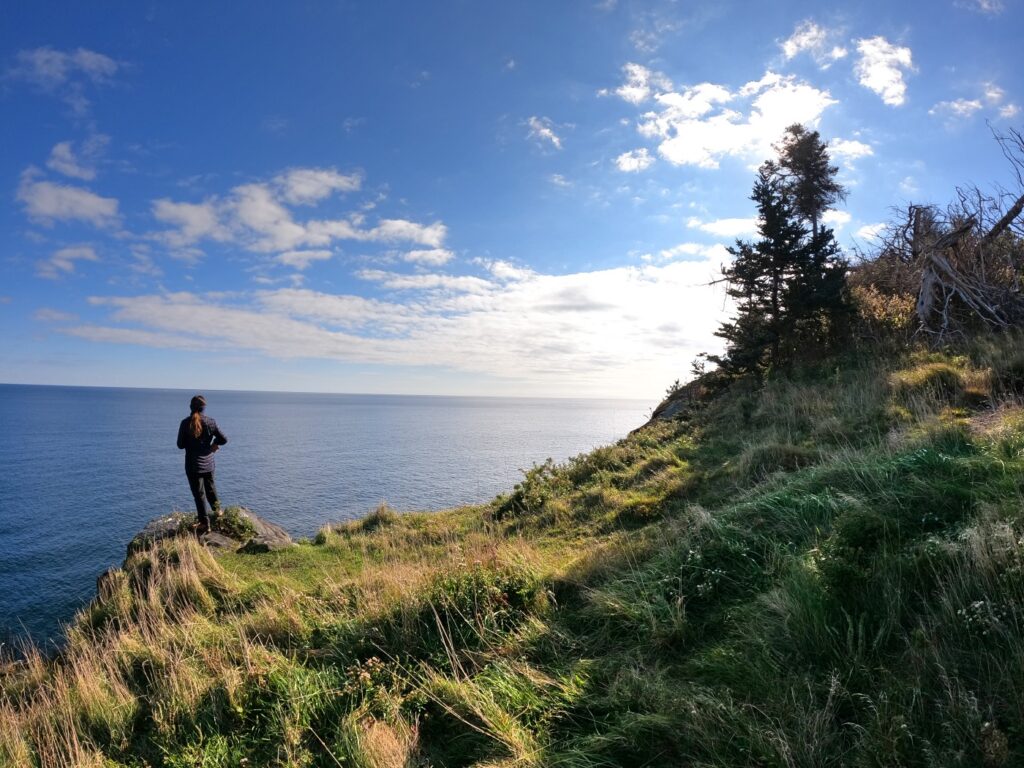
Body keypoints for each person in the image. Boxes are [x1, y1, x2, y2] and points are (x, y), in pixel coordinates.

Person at [176, 394, 228, 535]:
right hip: (209, 463)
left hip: (193, 465)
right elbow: (224, 439)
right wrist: (213, 445)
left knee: (199, 495)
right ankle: (219, 515)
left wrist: (191, 443)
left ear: (191, 407)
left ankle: (205, 524)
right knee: (211, 490)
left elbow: (180, 445)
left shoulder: (185, 423)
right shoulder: (211, 422)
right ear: (204, 408)